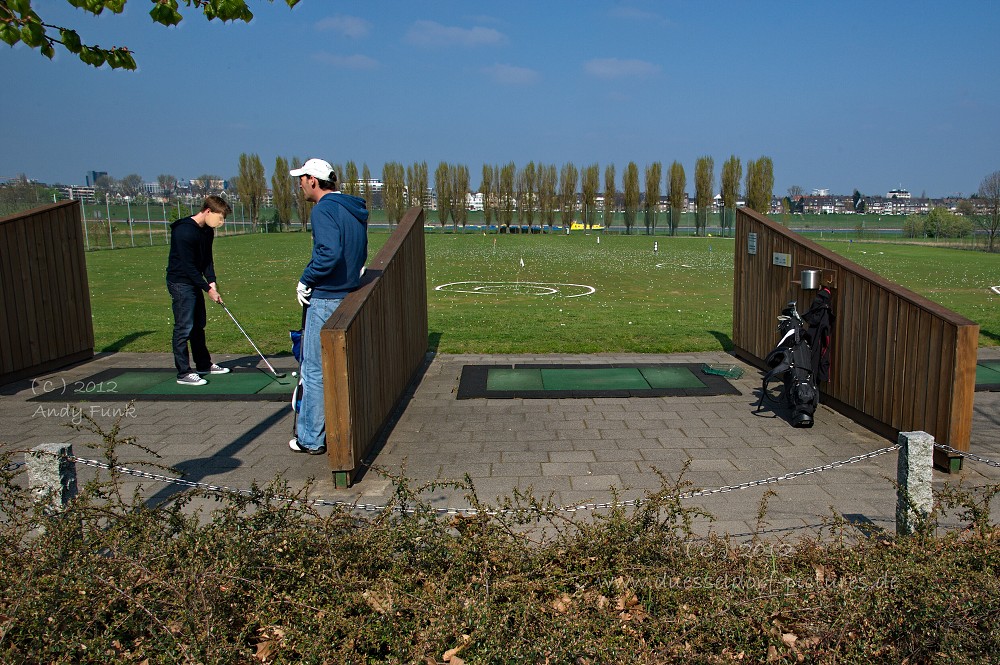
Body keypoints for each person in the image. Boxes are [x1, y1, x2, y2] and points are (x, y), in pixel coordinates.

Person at [288, 158, 369, 455]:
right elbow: (358, 251)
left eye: (302, 178)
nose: (299, 184)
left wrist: (305, 279)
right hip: (346, 294)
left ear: (313, 180)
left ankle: (310, 438)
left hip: (325, 297)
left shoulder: (323, 209)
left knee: (313, 371)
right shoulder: (351, 208)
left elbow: (328, 253)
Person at [166, 195, 233, 386]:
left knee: (198, 325)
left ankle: (203, 364)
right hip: (180, 282)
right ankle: (183, 373)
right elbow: (188, 267)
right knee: (184, 327)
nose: (221, 222)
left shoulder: (207, 232)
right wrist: (207, 289)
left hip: (194, 281)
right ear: (208, 211)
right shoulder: (184, 232)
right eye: (220, 217)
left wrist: (212, 281)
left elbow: (206, 260)